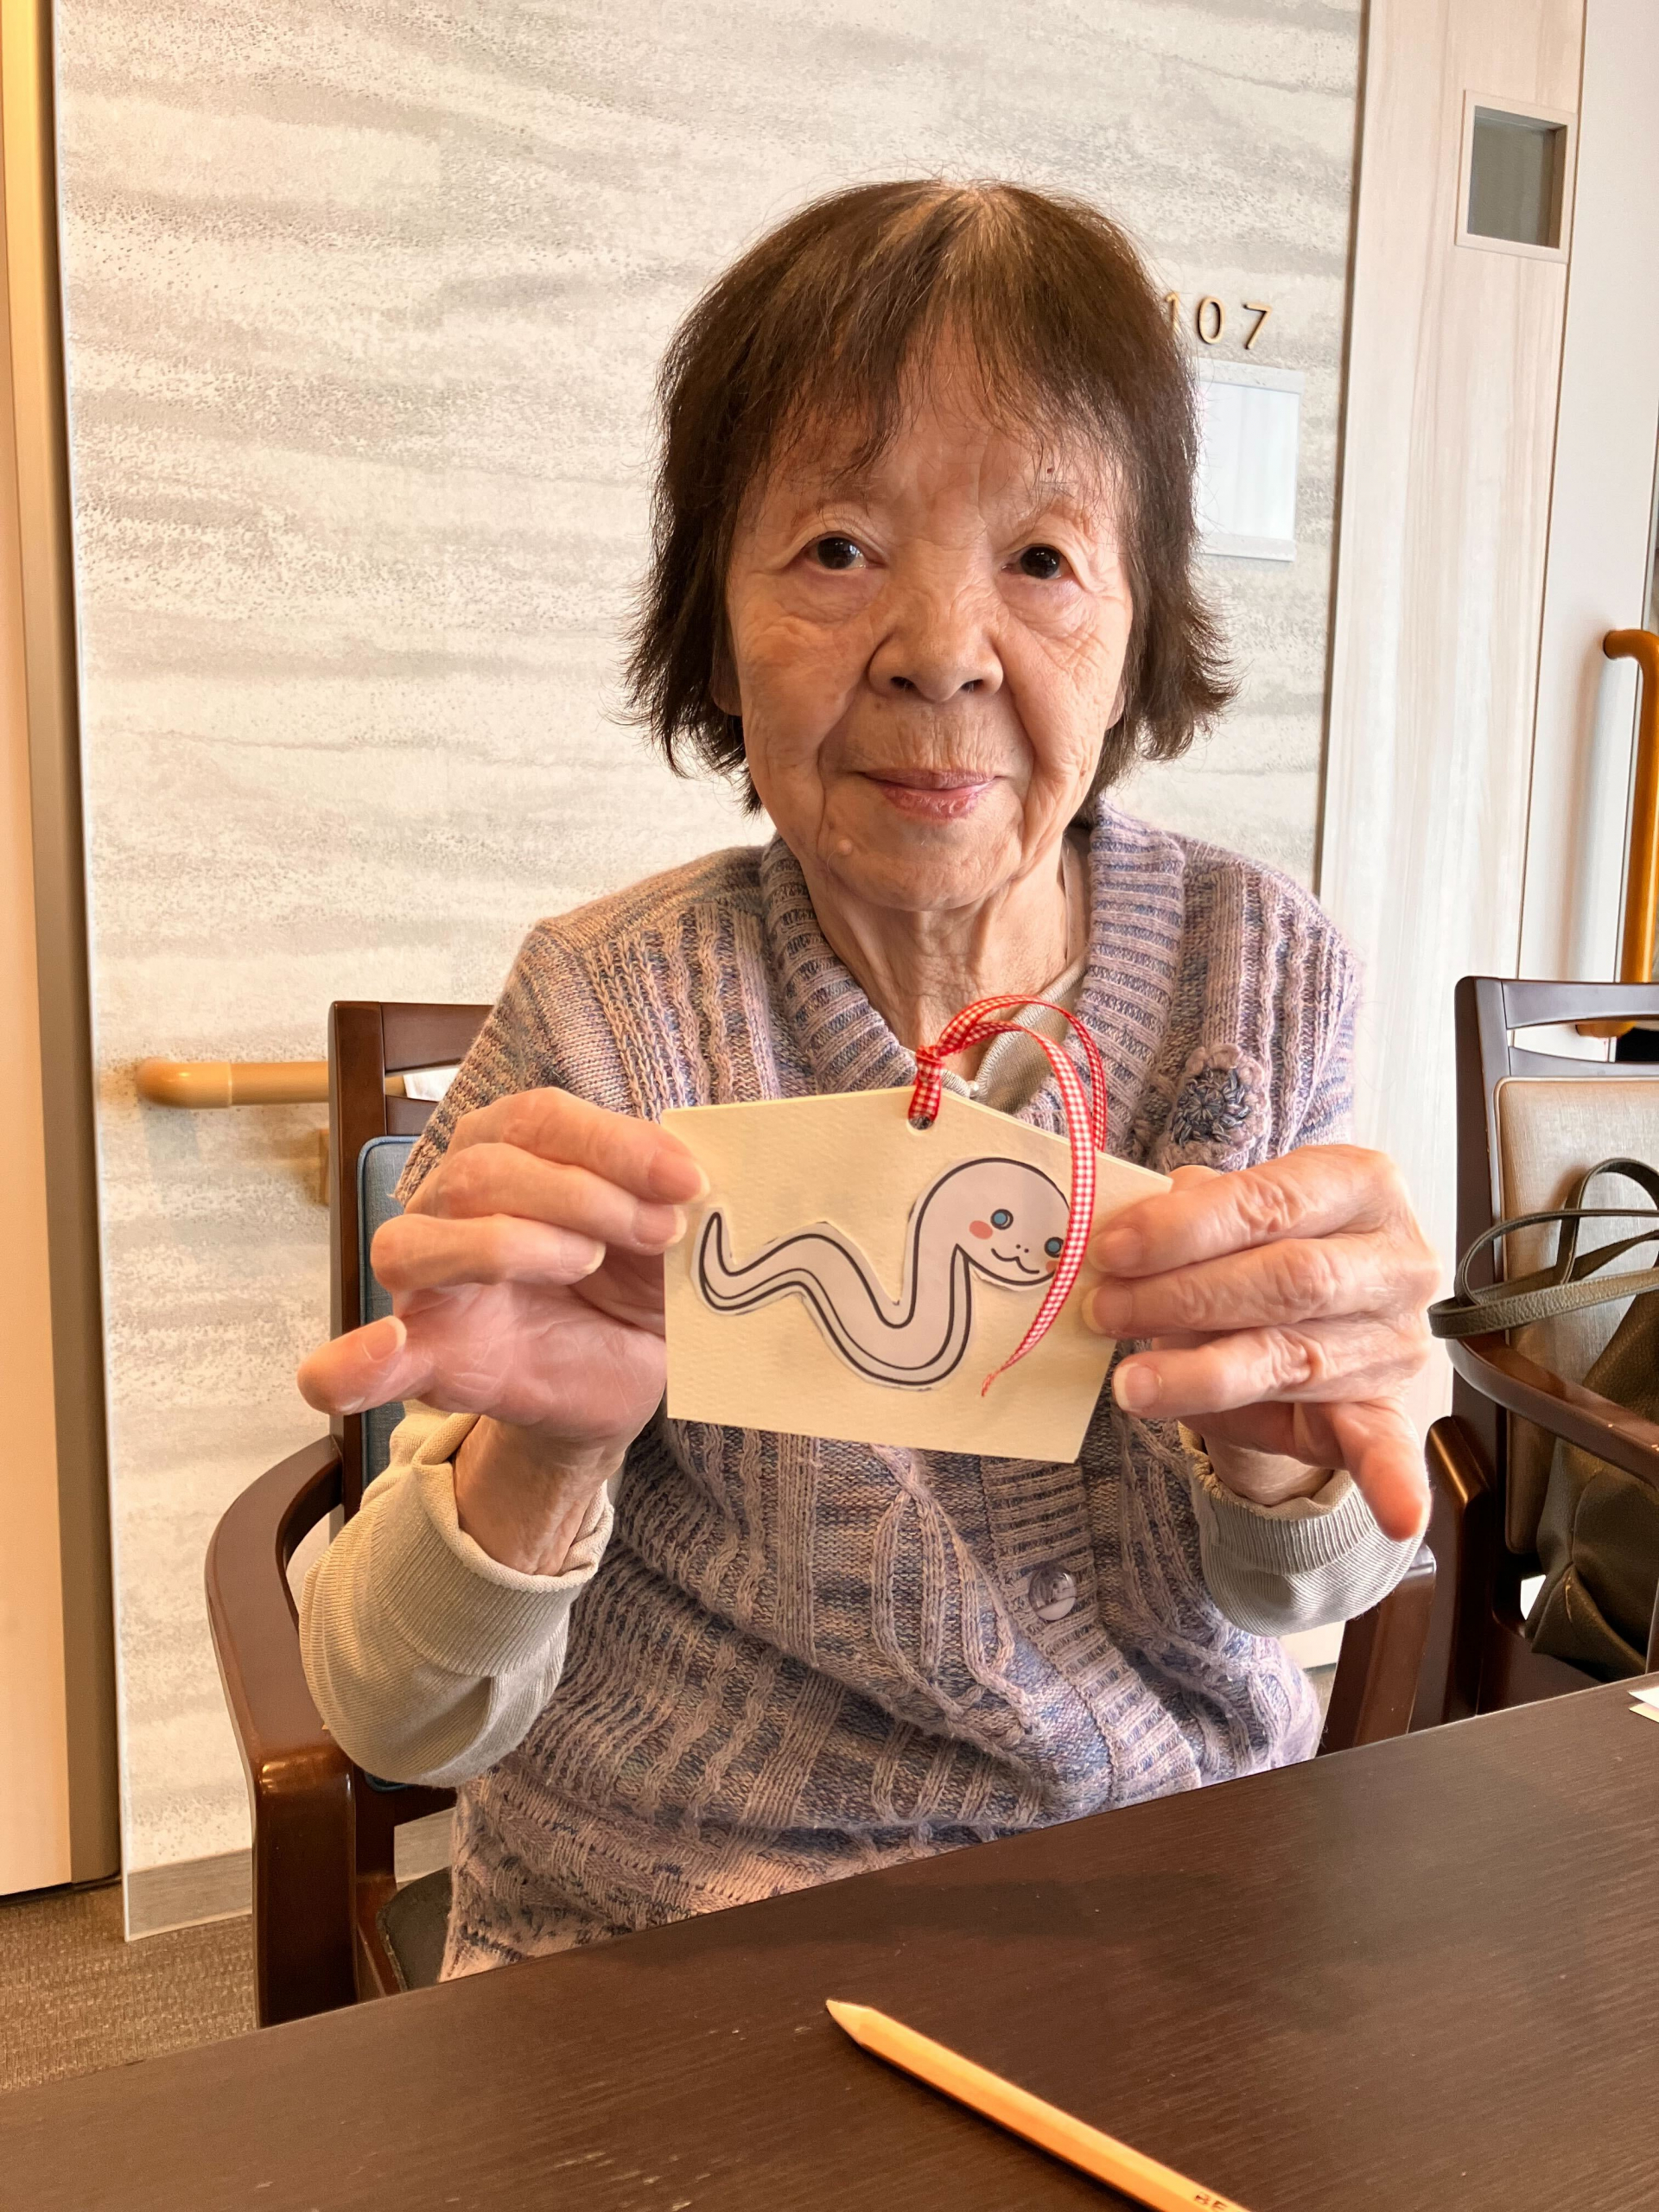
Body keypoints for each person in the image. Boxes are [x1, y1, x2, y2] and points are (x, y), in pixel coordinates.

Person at [297, 181, 1436, 1980]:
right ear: (714, 617)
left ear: (1138, 620)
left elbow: (1304, 1588)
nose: (942, 647)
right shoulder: (610, 1012)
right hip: (670, 1935)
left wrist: (1292, 1458)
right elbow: (394, 1714)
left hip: (1157, 1917)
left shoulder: (1261, 975)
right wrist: (543, 1448)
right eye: (838, 547)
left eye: (1042, 560)